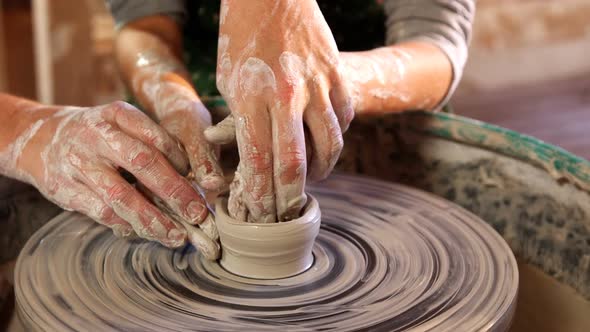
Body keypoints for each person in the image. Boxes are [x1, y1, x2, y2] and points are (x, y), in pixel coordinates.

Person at [0, 0, 473, 260]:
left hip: (371, 114)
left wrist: (323, 85)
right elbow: (145, 24)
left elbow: (436, 45)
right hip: (208, 101)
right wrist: (173, 97)